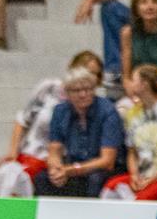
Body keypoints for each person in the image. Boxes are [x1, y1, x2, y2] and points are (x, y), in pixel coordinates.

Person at [0, 51, 102, 198]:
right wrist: (13, 153)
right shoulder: (49, 88)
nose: (90, 77)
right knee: (7, 176)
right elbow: (22, 119)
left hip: (54, 161)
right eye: (87, 70)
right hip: (29, 153)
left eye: (95, 74)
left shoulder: (89, 104)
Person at [33, 67, 123, 198]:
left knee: (95, 180)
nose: (83, 94)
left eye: (88, 89)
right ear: (67, 93)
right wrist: (55, 168)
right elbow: (54, 148)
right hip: (74, 164)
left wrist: (70, 170)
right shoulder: (60, 111)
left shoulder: (108, 111)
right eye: (77, 90)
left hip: (101, 168)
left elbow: (107, 161)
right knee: (42, 178)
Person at [100, 65, 157, 201]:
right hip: (141, 176)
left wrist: (151, 180)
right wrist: (134, 175)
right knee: (109, 189)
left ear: (144, 84)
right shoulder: (132, 114)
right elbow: (131, 151)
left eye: (133, 80)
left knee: (138, 200)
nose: (130, 83)